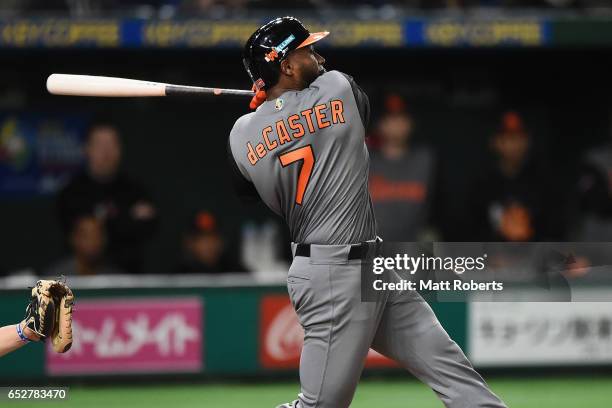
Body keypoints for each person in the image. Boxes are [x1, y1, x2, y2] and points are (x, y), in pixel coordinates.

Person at [228, 17, 506, 408]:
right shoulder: (337, 86)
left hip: (371, 266)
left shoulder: (241, 133)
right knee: (322, 405)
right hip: (331, 275)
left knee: (450, 368)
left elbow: (246, 192)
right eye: (306, 51)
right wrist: (284, 107)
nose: (319, 57)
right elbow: (358, 108)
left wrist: (269, 114)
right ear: (286, 66)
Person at [57, 123, 158, 273]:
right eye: (99, 145)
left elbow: (149, 228)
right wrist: (125, 219)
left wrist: (106, 222)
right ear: (87, 149)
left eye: (111, 144)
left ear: (120, 150)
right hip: (82, 277)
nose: (106, 152)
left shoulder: (135, 189)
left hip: (128, 275)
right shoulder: (72, 192)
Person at [467, 111, 563, 241]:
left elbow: (556, 234)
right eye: (508, 137)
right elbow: (468, 234)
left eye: (519, 137)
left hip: (534, 256)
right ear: (495, 142)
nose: (515, 144)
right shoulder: (481, 184)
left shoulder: (544, 182)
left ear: (527, 140)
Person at [369, 94, 437, 241]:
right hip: (373, 246)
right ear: (380, 124)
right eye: (391, 119)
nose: (397, 125)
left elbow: (440, 208)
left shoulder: (425, 160)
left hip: (413, 244)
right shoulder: (362, 161)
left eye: (402, 119)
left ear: (411, 123)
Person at [47, 216, 123, 276]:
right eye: (85, 236)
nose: (93, 241)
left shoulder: (116, 278)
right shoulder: (55, 277)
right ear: (73, 238)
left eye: (97, 236)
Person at [178, 210, 248, 274]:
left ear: (221, 241)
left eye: (213, 238)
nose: (208, 244)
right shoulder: (178, 276)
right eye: (201, 239)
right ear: (190, 243)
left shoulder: (237, 273)